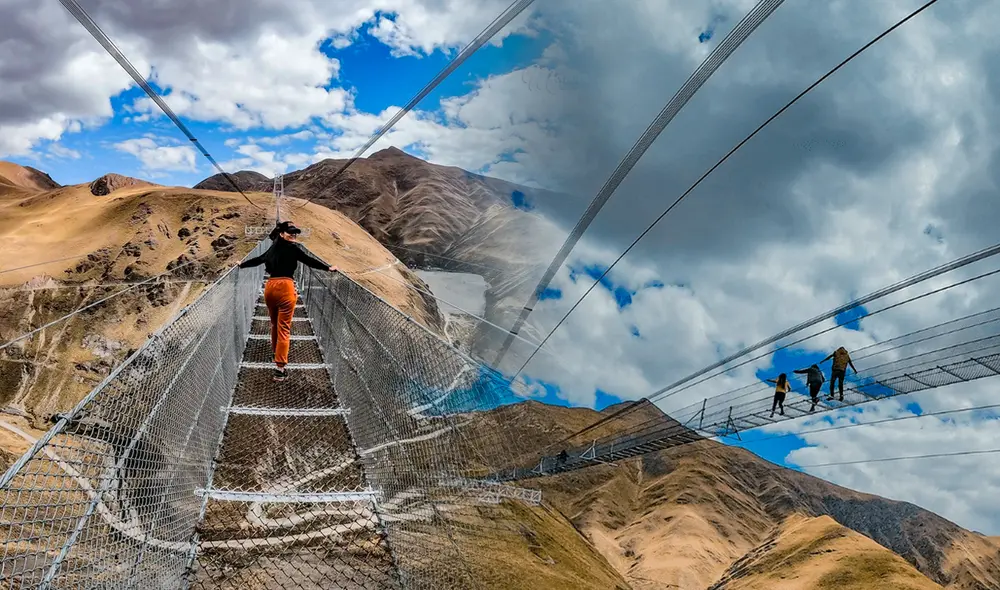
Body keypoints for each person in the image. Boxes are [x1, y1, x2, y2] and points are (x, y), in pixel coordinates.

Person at [237, 221, 337, 381]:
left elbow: (259, 259)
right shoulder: (293, 249)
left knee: (274, 324)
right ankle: (280, 368)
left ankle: (275, 353)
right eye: (290, 232)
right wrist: (327, 268)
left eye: (295, 232)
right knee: (284, 328)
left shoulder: (272, 249)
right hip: (286, 287)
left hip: (270, 287)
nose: (294, 235)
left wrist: (242, 265)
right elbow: (309, 261)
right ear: (282, 234)